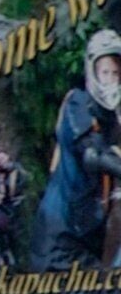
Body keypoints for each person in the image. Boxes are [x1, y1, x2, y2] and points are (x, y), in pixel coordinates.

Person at [44, 31, 121, 271]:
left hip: (98, 213)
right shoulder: (77, 103)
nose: (110, 79)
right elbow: (92, 154)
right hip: (69, 220)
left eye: (116, 73)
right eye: (105, 72)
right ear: (93, 72)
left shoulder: (115, 113)